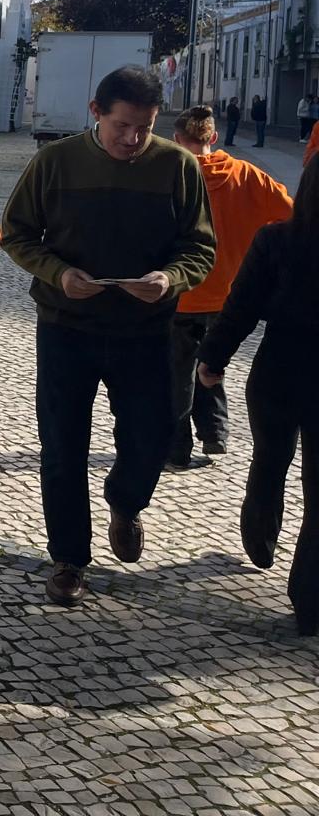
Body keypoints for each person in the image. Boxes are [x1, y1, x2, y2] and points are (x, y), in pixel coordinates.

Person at [2, 67, 214, 606]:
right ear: (96, 112)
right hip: (65, 328)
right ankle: (69, 559)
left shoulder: (178, 166)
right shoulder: (55, 162)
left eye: (143, 128)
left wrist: (170, 278)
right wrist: (58, 273)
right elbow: (17, 234)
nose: (132, 139)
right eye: (123, 125)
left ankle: (125, 501)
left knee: (152, 437)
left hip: (145, 331)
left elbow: (200, 248)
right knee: (63, 446)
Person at [198, 156, 319, 635]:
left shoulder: (276, 240)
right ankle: (310, 600)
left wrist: (212, 359)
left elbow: (240, 305)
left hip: (277, 370)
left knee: (270, 459)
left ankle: (260, 538)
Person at [166, 106, 291, 469]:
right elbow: (291, 215)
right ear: (214, 138)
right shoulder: (247, 175)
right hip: (229, 294)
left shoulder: (172, 176)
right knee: (212, 361)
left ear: (176, 139)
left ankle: (176, 448)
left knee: (177, 374)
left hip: (181, 293)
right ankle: (215, 432)